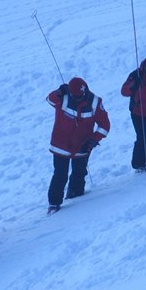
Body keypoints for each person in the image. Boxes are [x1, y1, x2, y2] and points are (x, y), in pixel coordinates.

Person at [46, 77, 110, 214]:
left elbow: (104, 125)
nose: (80, 99)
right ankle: (54, 203)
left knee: (79, 172)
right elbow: (50, 99)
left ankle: (76, 195)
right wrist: (58, 91)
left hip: (82, 146)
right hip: (60, 146)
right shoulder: (62, 97)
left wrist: (93, 140)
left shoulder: (95, 102)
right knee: (60, 174)